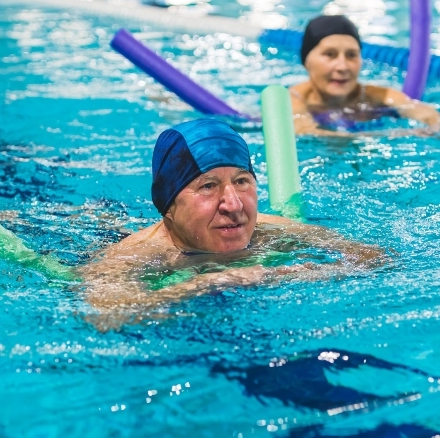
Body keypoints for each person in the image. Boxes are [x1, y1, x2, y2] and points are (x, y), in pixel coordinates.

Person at [80, 119, 385, 325]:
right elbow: (106, 316)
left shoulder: (272, 229)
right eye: (208, 186)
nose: (234, 204)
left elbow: (375, 257)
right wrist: (206, 283)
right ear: (168, 207)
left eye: (241, 181)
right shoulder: (134, 255)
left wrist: (317, 273)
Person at [290, 15, 440, 136]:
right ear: (306, 61)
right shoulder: (292, 100)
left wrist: (435, 125)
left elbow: (433, 116)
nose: (342, 66)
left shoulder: (378, 96)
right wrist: (394, 134)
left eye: (351, 55)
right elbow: (307, 133)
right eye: (330, 55)